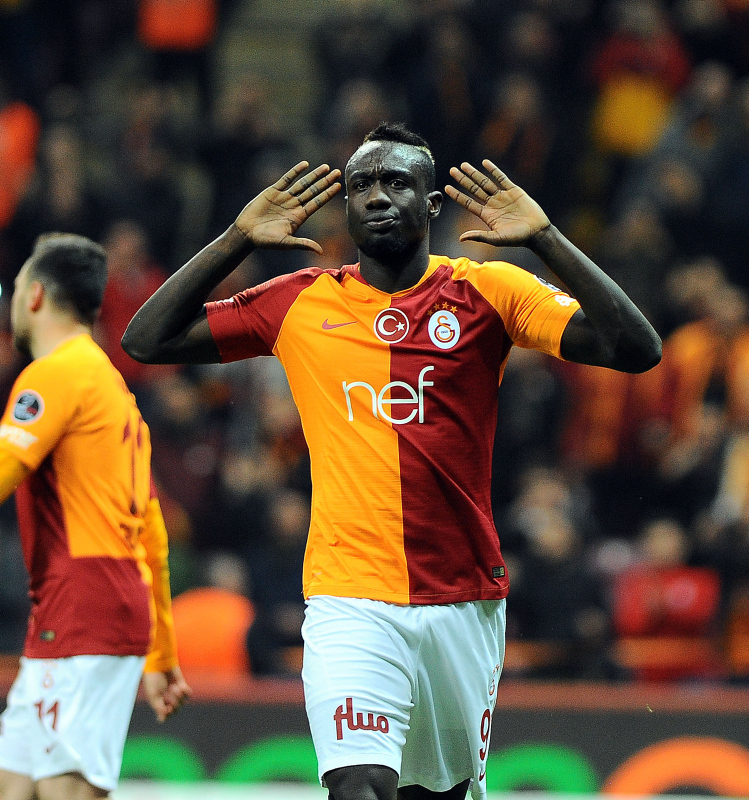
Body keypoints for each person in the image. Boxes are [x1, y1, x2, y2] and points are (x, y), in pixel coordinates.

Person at [122, 123, 661, 800]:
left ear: (432, 204)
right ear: (345, 207)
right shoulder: (300, 302)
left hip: (461, 598)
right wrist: (236, 239)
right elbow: (146, 341)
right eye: (361, 185)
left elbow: (636, 348)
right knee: (359, 786)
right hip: (349, 597)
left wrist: (547, 239)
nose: (377, 196)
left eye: (397, 182)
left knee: (435, 794)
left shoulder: (489, 292)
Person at [0, 233, 191, 800]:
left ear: (35, 295)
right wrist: (161, 652)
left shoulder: (55, 374)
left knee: (63, 787)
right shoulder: (113, 390)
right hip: (86, 604)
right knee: (16, 782)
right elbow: (152, 532)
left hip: (86, 602)